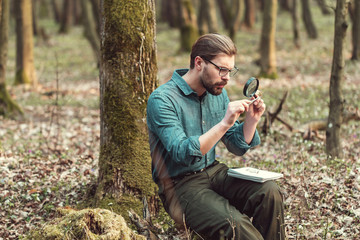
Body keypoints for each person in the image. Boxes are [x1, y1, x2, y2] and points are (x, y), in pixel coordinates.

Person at [146, 33, 284, 240]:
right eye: (222, 70)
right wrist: (223, 123)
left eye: (230, 71)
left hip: (214, 171)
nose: (227, 78)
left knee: (270, 192)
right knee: (236, 225)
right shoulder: (162, 99)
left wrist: (251, 121)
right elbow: (181, 152)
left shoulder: (217, 93)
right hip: (179, 186)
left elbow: (236, 147)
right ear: (199, 63)